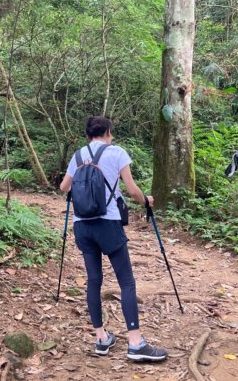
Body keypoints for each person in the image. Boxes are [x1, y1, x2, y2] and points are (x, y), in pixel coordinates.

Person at [60, 116, 168, 362]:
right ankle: (135, 343)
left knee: (94, 280)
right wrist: (147, 201)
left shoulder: (77, 156)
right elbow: (131, 189)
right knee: (126, 282)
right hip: (107, 224)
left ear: (88, 135)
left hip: (82, 227)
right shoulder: (116, 152)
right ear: (108, 132)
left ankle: (101, 338)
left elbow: (64, 187)